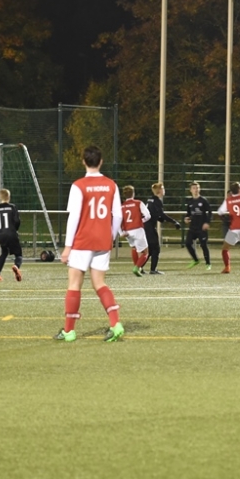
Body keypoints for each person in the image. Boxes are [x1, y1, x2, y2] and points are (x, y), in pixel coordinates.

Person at [54, 145, 125, 343]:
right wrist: (110, 236)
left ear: (83, 161)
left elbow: (74, 217)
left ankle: (69, 331)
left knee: (74, 284)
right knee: (100, 283)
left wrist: (68, 246)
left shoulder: (78, 185)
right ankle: (115, 324)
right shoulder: (111, 185)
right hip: (102, 241)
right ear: (101, 162)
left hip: (83, 241)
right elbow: (118, 215)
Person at [143, 182, 182, 275]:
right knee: (156, 249)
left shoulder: (150, 200)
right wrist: (174, 221)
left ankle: (139, 267)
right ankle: (152, 270)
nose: (164, 190)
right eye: (163, 188)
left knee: (150, 249)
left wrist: (160, 219)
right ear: (159, 190)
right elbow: (162, 214)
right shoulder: (157, 201)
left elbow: (154, 214)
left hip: (145, 226)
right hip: (149, 227)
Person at [0, 188, 23, 282]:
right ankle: (16, 266)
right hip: (11, 233)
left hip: (1, 235)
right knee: (18, 254)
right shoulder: (12, 207)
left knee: (4, 253)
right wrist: (15, 230)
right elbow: (17, 221)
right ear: (9, 197)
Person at [120, 185, 152, 277]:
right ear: (133, 193)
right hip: (138, 229)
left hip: (127, 231)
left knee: (134, 248)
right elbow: (148, 215)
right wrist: (141, 220)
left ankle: (136, 266)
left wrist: (121, 232)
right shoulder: (138, 203)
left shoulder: (121, 206)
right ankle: (137, 268)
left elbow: (118, 220)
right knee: (145, 252)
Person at [183, 182, 213, 270]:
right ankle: (196, 260)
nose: (196, 190)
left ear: (199, 189)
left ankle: (208, 263)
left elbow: (210, 212)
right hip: (192, 227)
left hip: (201, 228)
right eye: (194, 188)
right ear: (190, 190)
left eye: (197, 188)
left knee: (203, 245)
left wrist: (207, 222)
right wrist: (186, 218)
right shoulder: (190, 202)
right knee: (188, 243)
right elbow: (188, 214)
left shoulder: (203, 200)